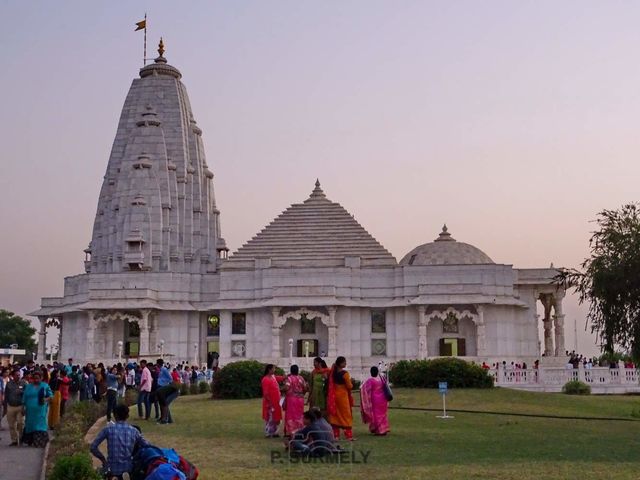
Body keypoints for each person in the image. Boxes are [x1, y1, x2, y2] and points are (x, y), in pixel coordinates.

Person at [90, 404, 150, 479]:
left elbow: (93, 447)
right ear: (127, 416)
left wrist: (103, 460)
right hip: (128, 469)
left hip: (111, 469)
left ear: (115, 415)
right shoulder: (134, 431)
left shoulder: (108, 429)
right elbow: (147, 445)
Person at [22, 371, 53, 447]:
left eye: (38, 378)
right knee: (30, 424)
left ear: (41, 378)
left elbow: (51, 396)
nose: (36, 380)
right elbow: (24, 397)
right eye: (34, 378)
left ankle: (39, 442)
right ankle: (30, 440)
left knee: (40, 425)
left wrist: (45, 399)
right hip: (30, 410)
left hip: (40, 409)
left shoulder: (45, 386)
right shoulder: (28, 386)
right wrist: (23, 408)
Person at [327, 356, 354, 441]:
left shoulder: (333, 373)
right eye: (344, 362)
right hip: (343, 397)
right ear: (340, 364)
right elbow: (349, 386)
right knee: (346, 415)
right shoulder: (345, 374)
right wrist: (351, 382)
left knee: (336, 415)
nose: (345, 364)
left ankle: (336, 436)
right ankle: (348, 436)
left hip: (334, 397)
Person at [359, 366, 390, 436]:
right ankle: (384, 429)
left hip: (375, 400)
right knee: (383, 415)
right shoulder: (381, 379)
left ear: (371, 372)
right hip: (383, 400)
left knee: (376, 415)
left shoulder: (370, 380)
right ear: (377, 372)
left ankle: (379, 430)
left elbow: (364, 389)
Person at [283, 365, 308, 436]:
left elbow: (287, 387)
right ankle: (299, 430)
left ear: (291, 371)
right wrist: (302, 393)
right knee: (299, 415)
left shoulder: (289, 378)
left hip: (291, 399)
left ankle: (290, 431)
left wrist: (281, 389)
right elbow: (305, 388)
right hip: (300, 400)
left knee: (290, 415)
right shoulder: (301, 378)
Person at [261, 364, 284, 437]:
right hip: (270, 402)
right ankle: (269, 432)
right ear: (269, 370)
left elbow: (279, 378)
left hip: (276, 401)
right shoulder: (265, 379)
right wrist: (269, 402)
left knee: (276, 417)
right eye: (273, 369)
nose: (274, 370)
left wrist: (285, 377)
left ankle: (275, 432)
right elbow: (266, 393)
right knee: (270, 417)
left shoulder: (273, 377)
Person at [3, 369, 26, 446]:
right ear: (13, 376)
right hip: (10, 406)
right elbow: (6, 395)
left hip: (20, 406)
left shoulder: (24, 383)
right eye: (16, 375)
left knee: (20, 423)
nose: (18, 376)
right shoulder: (9, 384)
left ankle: (21, 439)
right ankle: (14, 440)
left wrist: (21, 392)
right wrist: (5, 407)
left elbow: (27, 394)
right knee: (11, 425)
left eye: (19, 375)